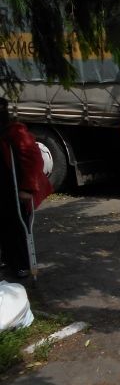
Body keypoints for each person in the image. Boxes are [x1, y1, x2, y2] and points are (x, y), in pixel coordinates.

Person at [0, 97, 53, 278]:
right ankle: (8, 259)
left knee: (16, 225)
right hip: (3, 187)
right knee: (3, 225)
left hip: (14, 188)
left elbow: (33, 160)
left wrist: (28, 188)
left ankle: (22, 264)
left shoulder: (15, 132)